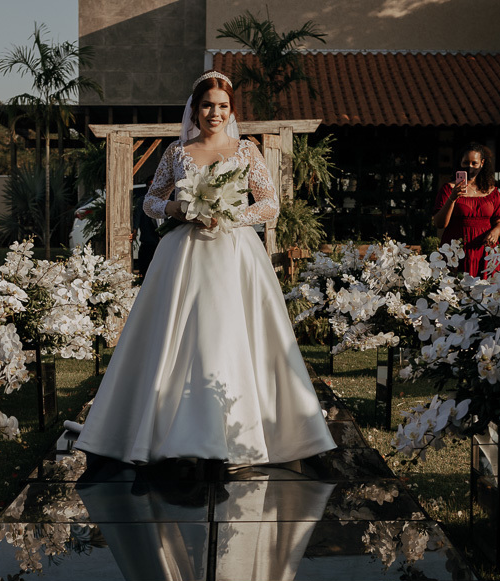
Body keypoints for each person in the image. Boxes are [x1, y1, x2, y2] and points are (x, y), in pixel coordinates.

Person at [74, 70, 336, 466]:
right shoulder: (176, 154)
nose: (215, 112)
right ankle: (176, 427)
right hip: (185, 254)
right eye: (208, 105)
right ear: (195, 110)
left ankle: (240, 430)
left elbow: (269, 204)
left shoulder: (247, 150)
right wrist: (177, 208)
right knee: (186, 334)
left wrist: (231, 213)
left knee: (232, 332)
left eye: (223, 106)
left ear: (231, 111)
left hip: (235, 254)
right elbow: (149, 202)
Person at [432, 142, 500, 278]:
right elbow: (439, 223)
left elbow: (499, 221)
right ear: (460, 162)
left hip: (485, 252)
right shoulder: (448, 189)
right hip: (457, 251)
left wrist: (496, 232)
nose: (469, 167)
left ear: (482, 163)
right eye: (466, 162)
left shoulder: (493, 192)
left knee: (487, 295)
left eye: (474, 163)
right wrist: (452, 198)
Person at [131, 175, 161, 279]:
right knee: (146, 271)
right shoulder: (142, 201)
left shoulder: (167, 199)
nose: (152, 188)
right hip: (148, 242)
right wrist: (134, 231)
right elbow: (137, 218)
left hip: (163, 242)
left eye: (154, 185)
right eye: (149, 185)